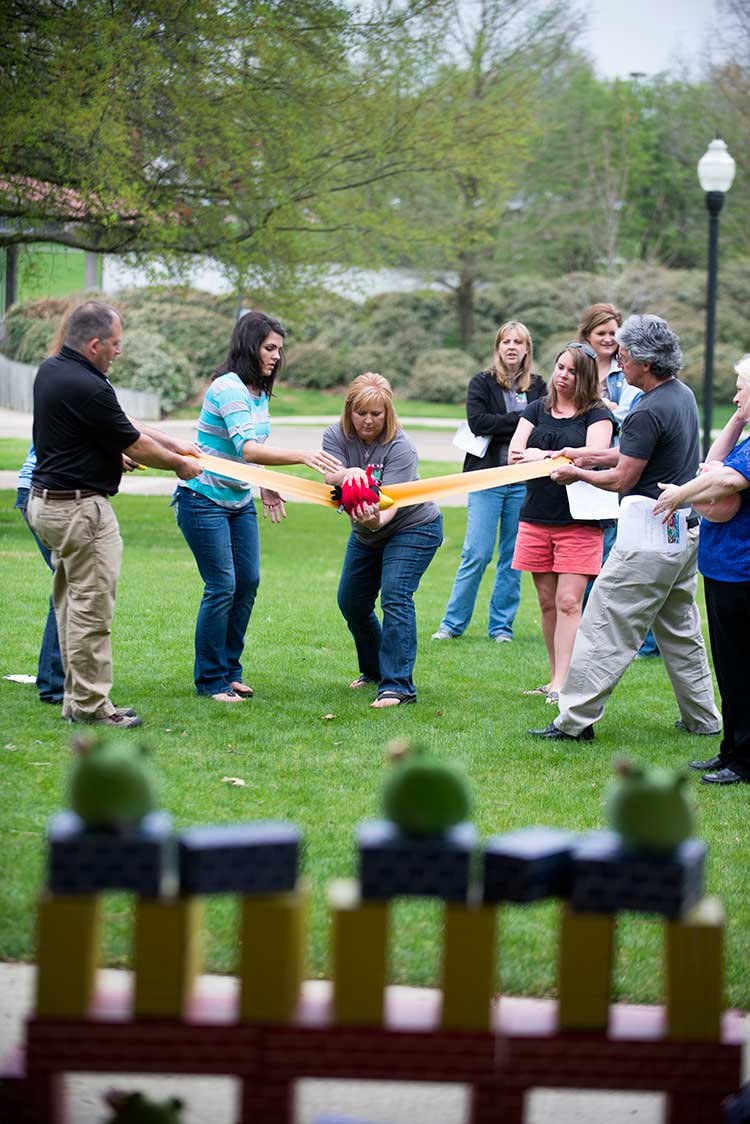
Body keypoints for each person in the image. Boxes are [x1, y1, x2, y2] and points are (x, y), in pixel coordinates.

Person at [530, 314, 721, 742]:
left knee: (603, 624)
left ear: (645, 362)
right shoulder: (680, 395)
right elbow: (632, 455)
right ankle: (704, 719)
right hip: (683, 535)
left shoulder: (647, 410)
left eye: (625, 356)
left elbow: (624, 479)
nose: (619, 362)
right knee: (680, 631)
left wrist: (575, 475)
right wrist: (583, 454)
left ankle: (573, 722)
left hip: (646, 539)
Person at [27, 300, 203, 728]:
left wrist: (177, 444)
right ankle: (90, 707)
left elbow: (115, 427)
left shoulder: (53, 371)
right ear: (94, 344)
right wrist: (181, 465)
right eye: (116, 344)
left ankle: (76, 699)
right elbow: (134, 442)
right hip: (80, 511)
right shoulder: (90, 386)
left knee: (71, 605)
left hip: (48, 504)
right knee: (91, 610)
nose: (119, 351)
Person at [174, 311, 342, 702]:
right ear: (250, 346)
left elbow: (248, 452)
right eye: (270, 348)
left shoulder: (257, 391)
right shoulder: (228, 387)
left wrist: (265, 483)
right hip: (203, 498)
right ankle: (211, 679)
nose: (276, 357)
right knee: (222, 586)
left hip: (236, 499)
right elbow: (247, 446)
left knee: (247, 582)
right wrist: (302, 456)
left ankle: (230, 671)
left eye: (280, 350)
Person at [653, 354, 750, 785]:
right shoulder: (746, 437)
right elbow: (714, 462)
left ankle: (744, 762)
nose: (735, 395)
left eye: (741, 388)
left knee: (742, 667)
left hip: (742, 571)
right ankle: (731, 751)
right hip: (723, 568)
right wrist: (737, 419)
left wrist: (679, 496)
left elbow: (727, 481)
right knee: (729, 666)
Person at [322, 372, 443, 707]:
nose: (368, 421)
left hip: (412, 527)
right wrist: (350, 473)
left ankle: (398, 686)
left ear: (388, 413)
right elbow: (329, 472)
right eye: (362, 413)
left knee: (395, 595)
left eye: (377, 414)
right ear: (349, 410)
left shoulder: (400, 447)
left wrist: (374, 518)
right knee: (352, 602)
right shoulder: (335, 435)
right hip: (366, 534)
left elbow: (388, 511)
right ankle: (375, 671)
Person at [508, 343, 615, 704]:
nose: (562, 375)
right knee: (547, 602)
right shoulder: (537, 408)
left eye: (571, 371)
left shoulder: (597, 415)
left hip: (580, 521)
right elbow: (514, 455)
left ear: (584, 377)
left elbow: (591, 461)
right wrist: (548, 459)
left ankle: (563, 683)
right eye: (559, 368)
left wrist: (545, 456)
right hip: (537, 516)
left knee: (570, 601)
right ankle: (554, 677)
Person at [432, 321, 546, 643]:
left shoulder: (539, 386)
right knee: (477, 553)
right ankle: (452, 625)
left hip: (523, 482)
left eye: (518, 342)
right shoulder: (481, 382)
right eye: (505, 341)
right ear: (497, 347)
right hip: (486, 477)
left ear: (527, 349)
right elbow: (478, 422)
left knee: (513, 557)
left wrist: (514, 425)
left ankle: (501, 627)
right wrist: (523, 421)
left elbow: (543, 427)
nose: (511, 347)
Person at [578, 301, 660, 658]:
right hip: (590, 471)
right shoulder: (578, 366)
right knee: (590, 553)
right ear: (587, 336)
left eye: (615, 333)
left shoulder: (628, 376)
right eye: (603, 334)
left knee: (623, 551)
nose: (610, 340)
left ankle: (643, 641)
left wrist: (595, 406)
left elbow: (627, 418)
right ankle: (592, 631)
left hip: (619, 468)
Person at [15, 444, 65, 704]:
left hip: (39, 490)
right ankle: (55, 683)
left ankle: (54, 678)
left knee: (67, 585)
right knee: (69, 587)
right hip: (47, 494)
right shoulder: (77, 402)